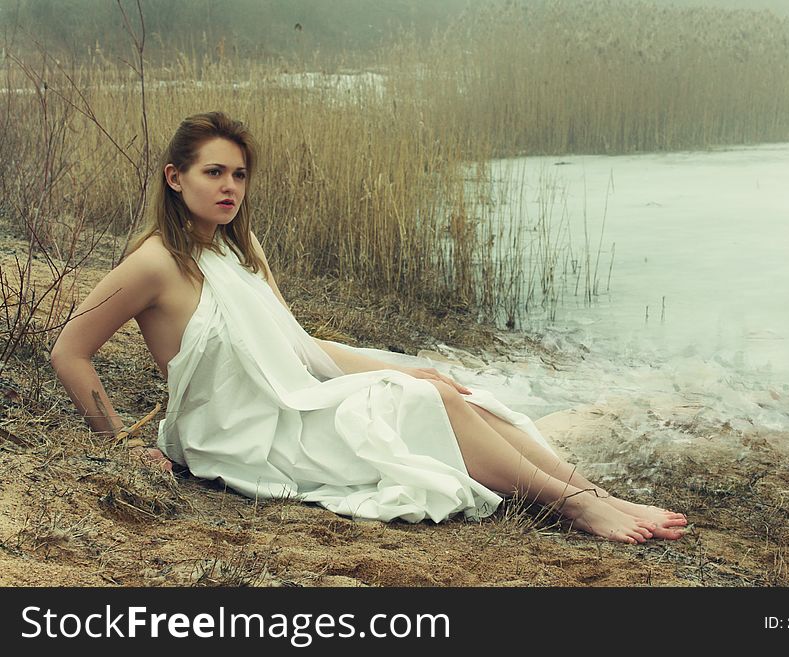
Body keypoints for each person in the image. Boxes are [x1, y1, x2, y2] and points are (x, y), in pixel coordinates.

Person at [51, 111, 688, 544]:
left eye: (239, 174)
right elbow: (69, 352)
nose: (229, 187)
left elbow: (303, 349)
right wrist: (119, 442)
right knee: (425, 402)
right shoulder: (153, 263)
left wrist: (400, 368)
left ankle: (590, 491)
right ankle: (571, 505)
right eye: (212, 172)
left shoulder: (241, 253)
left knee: (444, 391)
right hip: (243, 433)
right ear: (175, 177)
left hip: (290, 404)